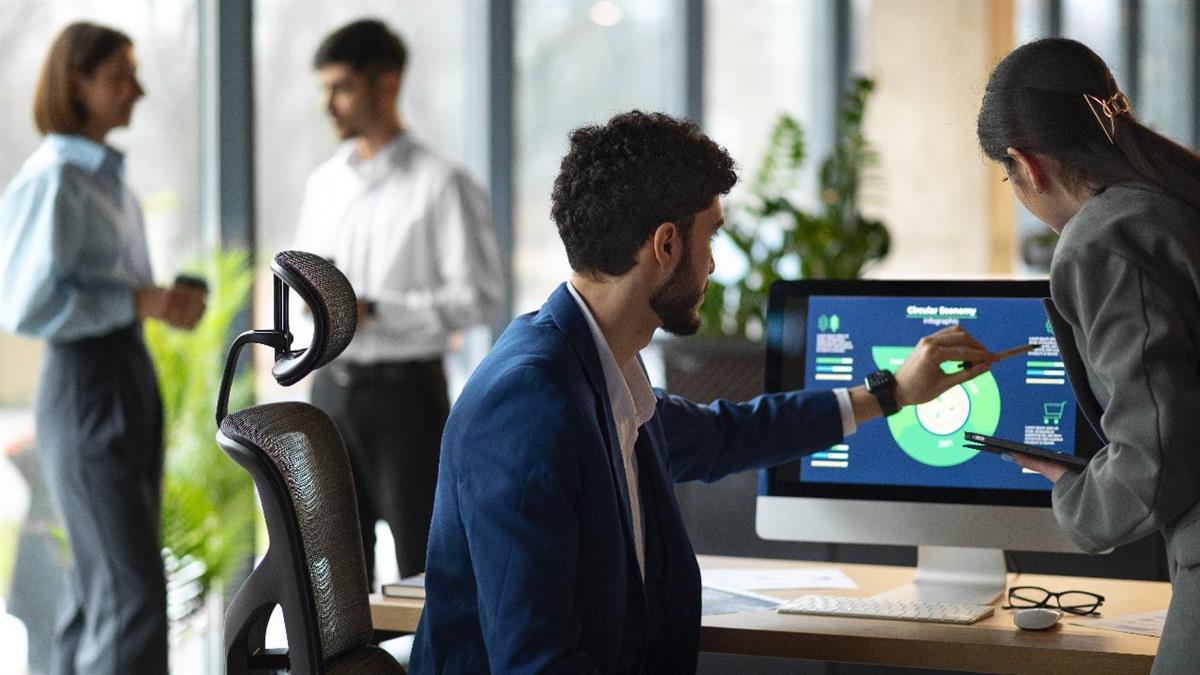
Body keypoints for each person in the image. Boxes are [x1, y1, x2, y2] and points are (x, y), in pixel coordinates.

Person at [410, 110, 994, 673]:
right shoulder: (530, 403)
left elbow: (724, 435)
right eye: (709, 236)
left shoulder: (598, 372)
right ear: (666, 246)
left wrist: (890, 393)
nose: (713, 264)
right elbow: (534, 662)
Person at [977, 37, 1200, 673]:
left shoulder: (1103, 238)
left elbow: (1156, 454)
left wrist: (1073, 487)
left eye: (1006, 176)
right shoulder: (1177, 199)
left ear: (1027, 165)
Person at [0, 22, 206, 674]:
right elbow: (23, 305)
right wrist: (139, 301)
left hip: (122, 373)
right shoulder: (56, 178)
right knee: (132, 593)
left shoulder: (106, 180)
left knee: (100, 592)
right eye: (121, 76)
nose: (137, 91)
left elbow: (107, 289)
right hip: (87, 382)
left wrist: (155, 303)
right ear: (76, 83)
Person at [294, 19, 504, 585]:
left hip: (407, 399)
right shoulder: (323, 184)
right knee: (333, 580)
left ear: (386, 85)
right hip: (329, 392)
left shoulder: (443, 183)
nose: (328, 105)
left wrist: (377, 309)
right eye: (324, 89)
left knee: (423, 572)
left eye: (340, 88)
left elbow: (482, 298)